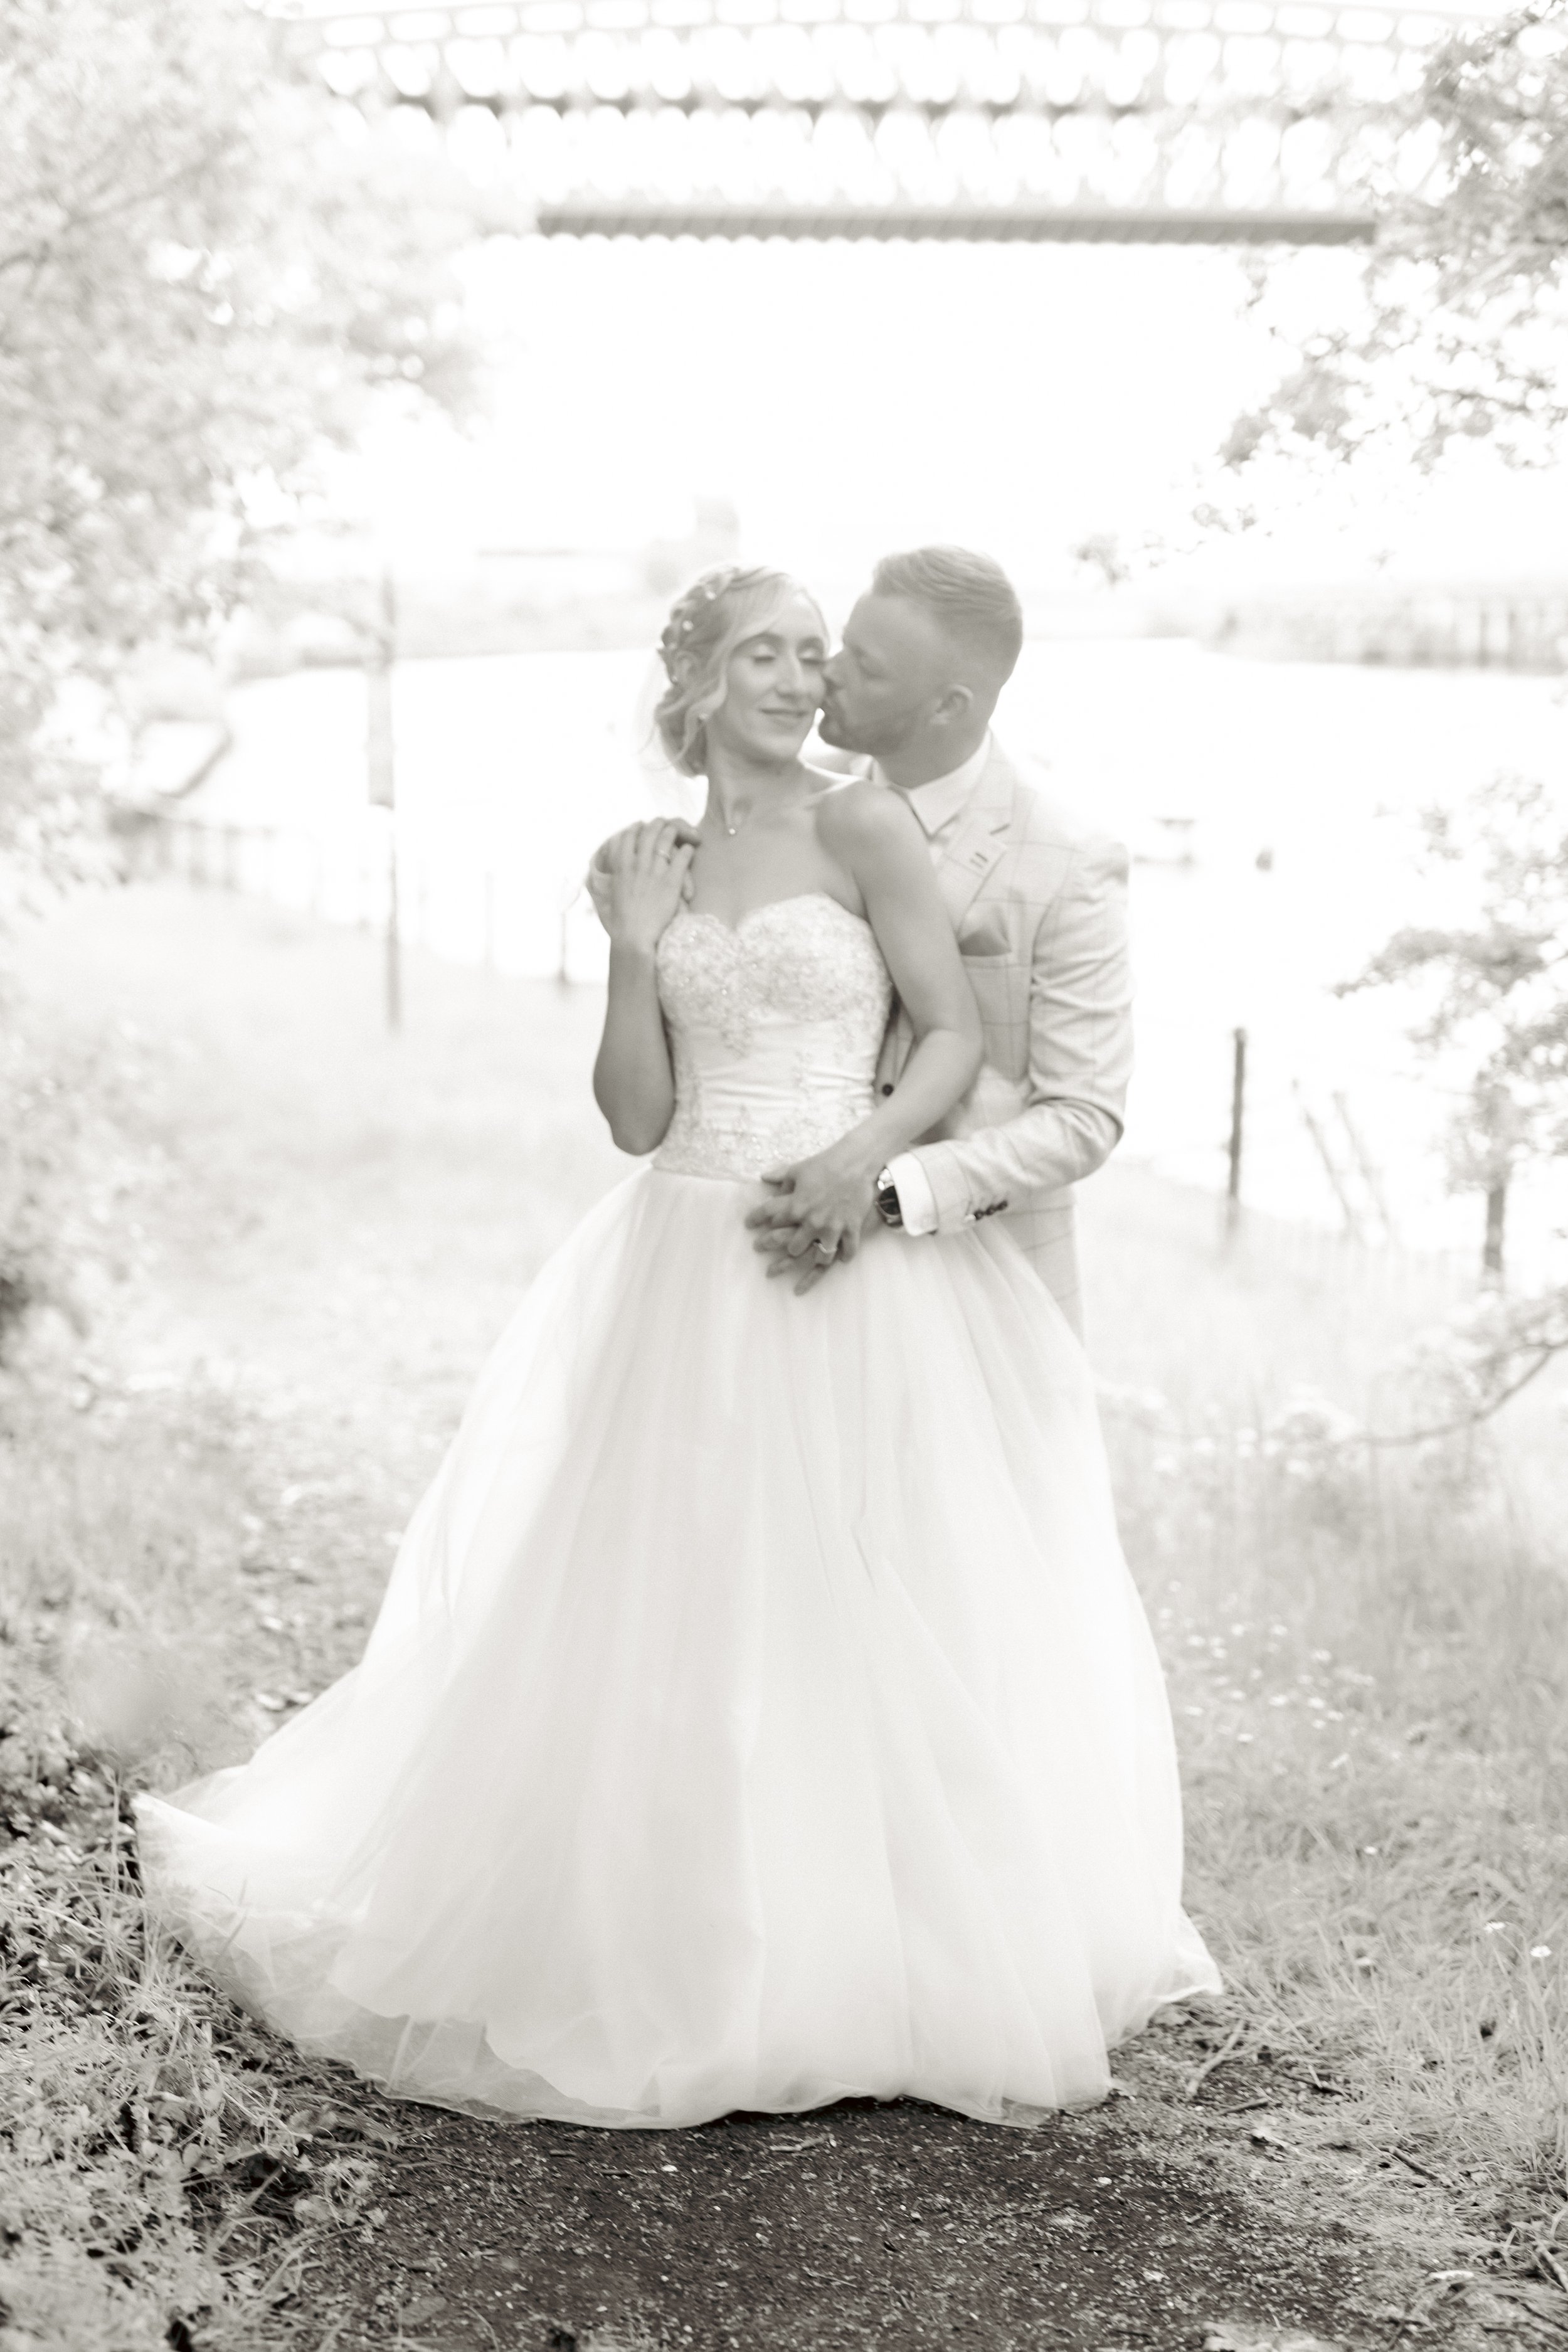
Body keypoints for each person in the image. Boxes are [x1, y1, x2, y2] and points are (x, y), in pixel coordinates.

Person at [135, 563, 1218, 2133]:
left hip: (838, 1244)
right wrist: (637, 947)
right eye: (769, 654)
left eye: (814, 655)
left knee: (857, 1587)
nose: (800, 678)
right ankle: (672, 1916)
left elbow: (957, 1039)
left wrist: (858, 1165)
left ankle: (872, 1936)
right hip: (677, 1254)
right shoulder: (642, 863)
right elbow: (636, 1120)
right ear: (695, 683)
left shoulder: (864, 826)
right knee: (673, 1587)